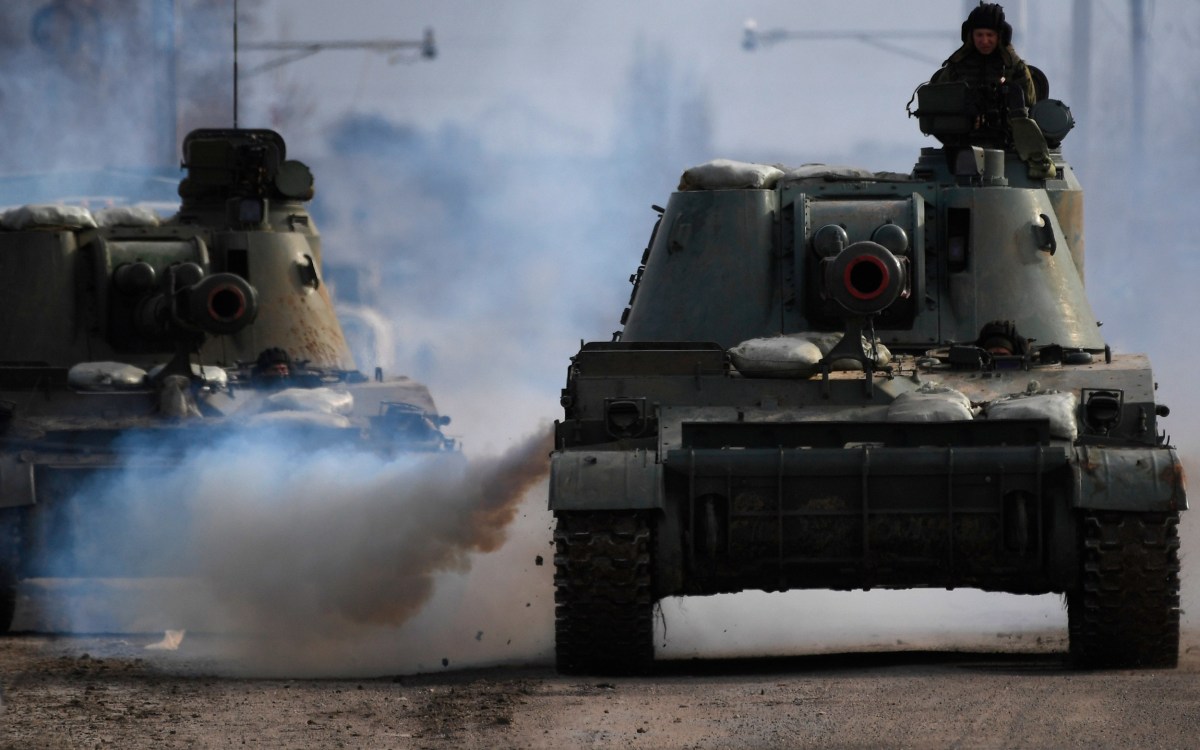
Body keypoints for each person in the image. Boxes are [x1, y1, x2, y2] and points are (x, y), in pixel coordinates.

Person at [930, 2, 1055, 180]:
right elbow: (940, 103)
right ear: (970, 36)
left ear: (1000, 36)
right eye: (979, 35)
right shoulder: (957, 67)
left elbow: (1028, 109)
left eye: (990, 35)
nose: (984, 41)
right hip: (962, 144)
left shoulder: (1014, 68)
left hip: (1009, 144)